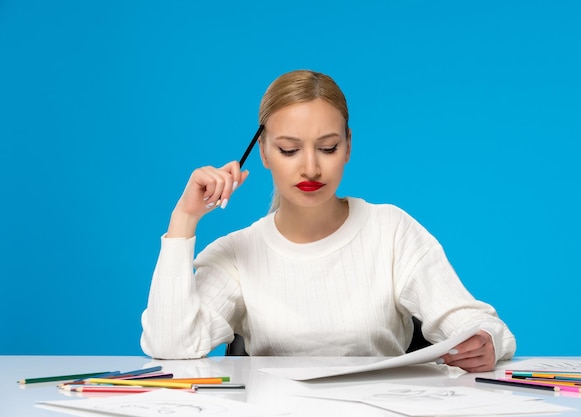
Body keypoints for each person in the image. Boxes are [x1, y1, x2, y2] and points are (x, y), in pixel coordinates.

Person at [140, 69, 516, 372]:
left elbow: (477, 323)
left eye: (328, 147)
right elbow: (172, 346)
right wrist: (183, 221)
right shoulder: (238, 252)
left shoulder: (390, 230)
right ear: (265, 154)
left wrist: (484, 341)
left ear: (348, 146)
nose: (310, 167)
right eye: (289, 150)